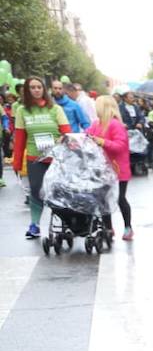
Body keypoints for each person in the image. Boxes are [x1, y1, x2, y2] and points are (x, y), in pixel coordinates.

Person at [12, 77, 73, 238]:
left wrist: (63, 138)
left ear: (44, 90)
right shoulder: (21, 110)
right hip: (35, 158)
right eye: (32, 87)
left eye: (39, 87)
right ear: (27, 90)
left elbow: (67, 131)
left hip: (56, 157)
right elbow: (19, 139)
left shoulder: (55, 109)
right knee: (36, 191)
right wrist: (16, 163)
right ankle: (34, 225)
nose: (36, 90)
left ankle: (65, 222)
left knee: (59, 191)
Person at [87, 95, 134, 241]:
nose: (95, 108)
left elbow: (120, 146)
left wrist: (102, 141)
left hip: (118, 169)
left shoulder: (115, 124)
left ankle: (128, 227)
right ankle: (108, 228)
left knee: (120, 199)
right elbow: (86, 136)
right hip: (101, 169)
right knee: (103, 199)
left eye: (97, 105)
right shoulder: (96, 124)